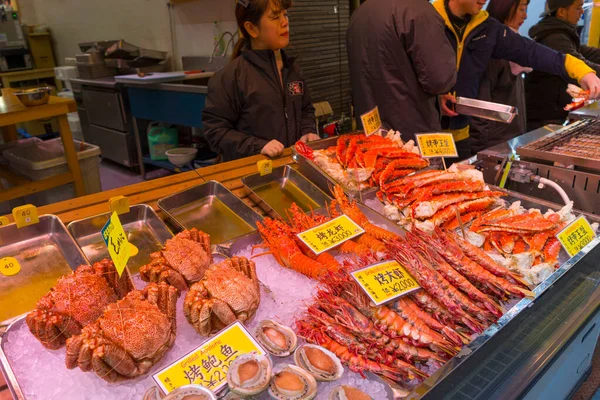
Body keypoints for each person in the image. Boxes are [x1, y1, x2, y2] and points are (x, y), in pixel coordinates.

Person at [434, 0, 600, 160]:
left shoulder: (487, 28)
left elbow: (533, 52)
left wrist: (583, 72)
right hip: (425, 133)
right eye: (521, 9)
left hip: (461, 135)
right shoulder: (427, 19)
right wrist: (436, 96)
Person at [203, 0, 319, 162]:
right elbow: (216, 132)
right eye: (275, 17)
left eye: (285, 14)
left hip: (291, 167)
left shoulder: (292, 69)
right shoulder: (231, 77)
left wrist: (308, 130)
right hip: (254, 172)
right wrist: (258, 146)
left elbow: (305, 109)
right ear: (252, 28)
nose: (285, 22)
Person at [346, 0, 457, 142]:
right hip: (411, 138)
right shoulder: (419, 10)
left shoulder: (360, 12)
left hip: (371, 132)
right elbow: (440, 79)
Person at [525, 0, 600, 131]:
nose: (582, 12)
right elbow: (580, 62)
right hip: (544, 117)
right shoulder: (554, 37)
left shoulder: (561, 33)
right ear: (561, 12)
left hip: (552, 112)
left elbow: (586, 52)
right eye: (578, 8)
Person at [470, 0, 531, 153]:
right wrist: (480, 151)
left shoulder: (514, 51)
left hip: (509, 139)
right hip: (492, 145)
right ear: (504, 9)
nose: (525, 15)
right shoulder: (492, 50)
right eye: (522, 9)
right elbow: (480, 105)